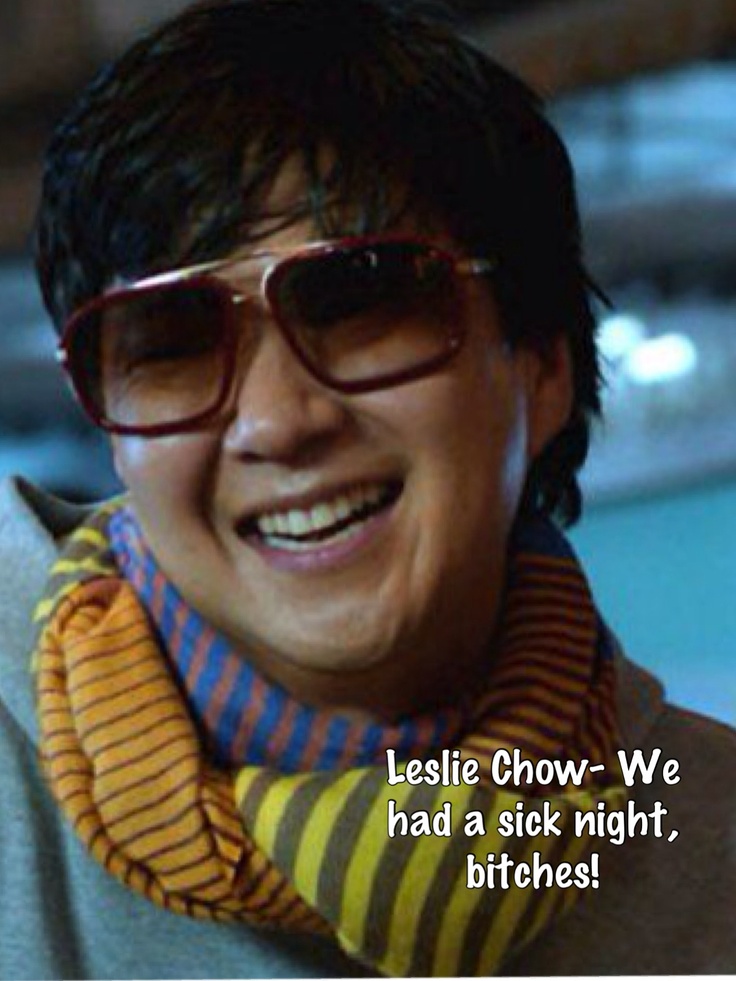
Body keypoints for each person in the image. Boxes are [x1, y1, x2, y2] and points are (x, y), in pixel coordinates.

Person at [1, 0, 734, 976]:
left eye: (361, 300)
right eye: (170, 341)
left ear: (543, 368)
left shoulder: (709, 851)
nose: (276, 421)